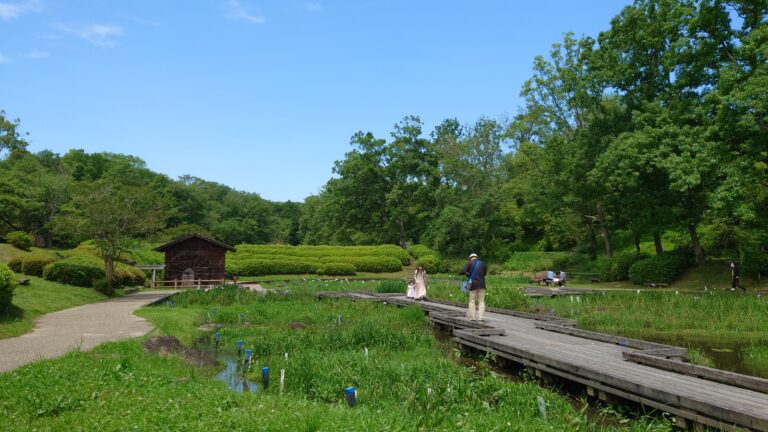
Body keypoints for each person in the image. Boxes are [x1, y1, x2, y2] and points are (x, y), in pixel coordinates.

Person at [459, 253, 488, 322]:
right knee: (481, 301)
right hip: (482, 285)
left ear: (470, 258)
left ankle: (473, 317)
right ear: (476, 257)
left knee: (472, 301)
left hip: (473, 285)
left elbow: (462, 271)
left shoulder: (469, 263)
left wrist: (467, 274)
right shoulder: (483, 264)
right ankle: (481, 318)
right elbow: (484, 274)